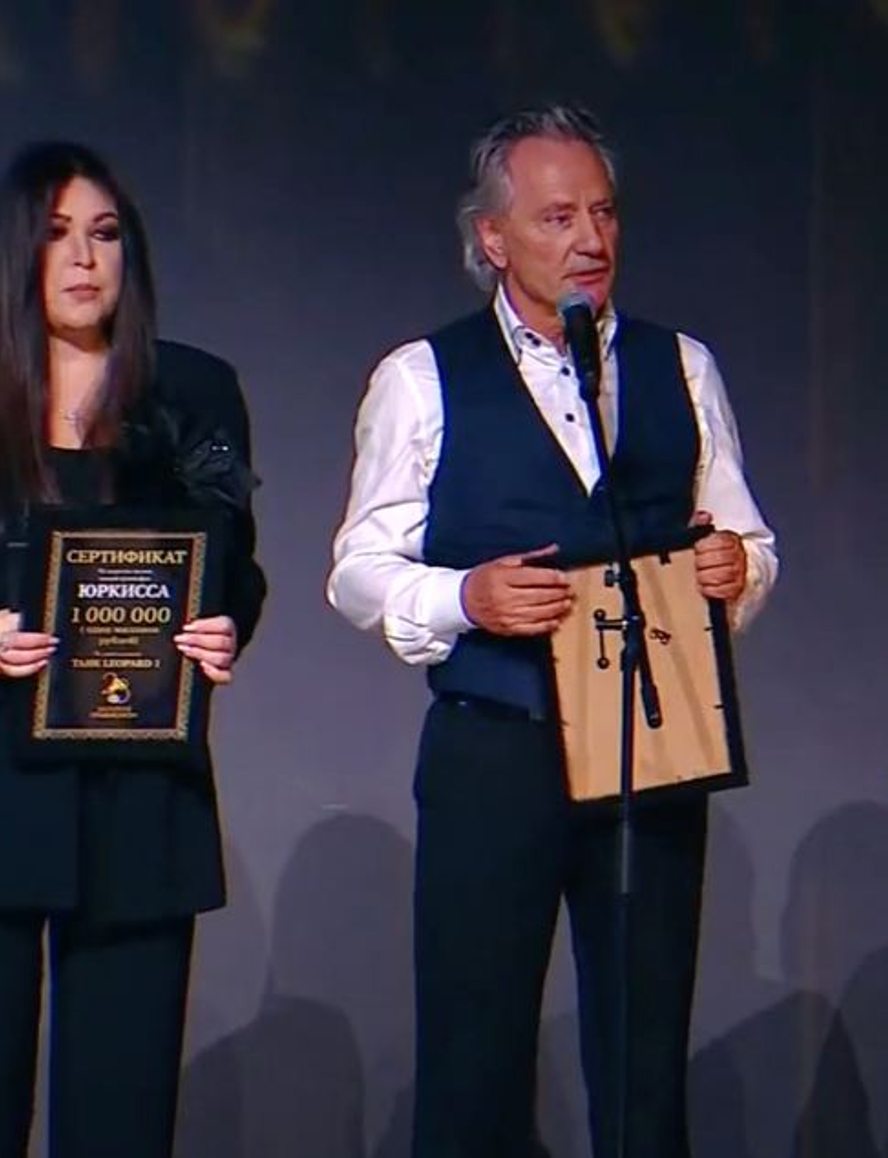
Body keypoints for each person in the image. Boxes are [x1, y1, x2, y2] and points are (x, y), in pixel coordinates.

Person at [327, 103, 777, 1157]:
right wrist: (465, 598)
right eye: (558, 217)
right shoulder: (422, 377)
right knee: (476, 1060)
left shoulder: (680, 367)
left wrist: (734, 571)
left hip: (652, 744)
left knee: (643, 1060)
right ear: (493, 238)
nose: (590, 240)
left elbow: (747, 542)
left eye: (604, 214)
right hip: (498, 746)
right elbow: (358, 569)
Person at [0, 142, 266, 1158]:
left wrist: (224, 623)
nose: (84, 259)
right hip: (3, 785)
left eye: (105, 234)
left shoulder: (192, 390)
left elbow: (232, 563)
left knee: (121, 1121)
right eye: (56, 235)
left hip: (141, 793)